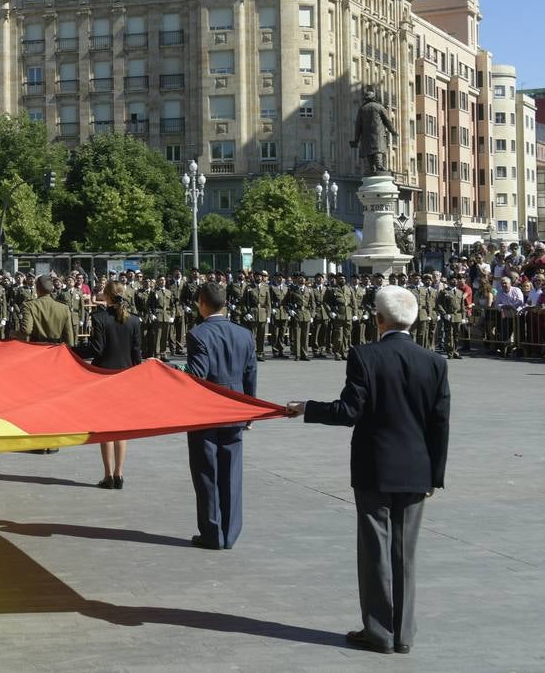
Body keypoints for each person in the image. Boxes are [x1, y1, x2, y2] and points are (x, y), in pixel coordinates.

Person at [286, 285, 450, 655]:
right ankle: (403, 633)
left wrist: (306, 407)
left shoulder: (365, 355)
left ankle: (378, 631)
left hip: (375, 467)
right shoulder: (435, 362)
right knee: (405, 553)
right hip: (416, 470)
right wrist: (434, 476)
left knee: (376, 548)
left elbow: (349, 411)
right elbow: (440, 424)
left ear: (378, 319)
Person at [185, 280, 257, 550]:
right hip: (236, 410)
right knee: (232, 474)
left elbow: (197, 376)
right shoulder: (244, 334)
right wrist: (250, 411)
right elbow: (250, 375)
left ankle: (212, 532)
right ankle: (230, 532)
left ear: (202, 303)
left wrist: (172, 370)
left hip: (207, 412)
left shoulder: (198, 334)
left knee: (206, 473)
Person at [86, 280, 143, 488]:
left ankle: (108, 474)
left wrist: (71, 349)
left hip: (103, 376)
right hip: (126, 376)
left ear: (107, 295)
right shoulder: (134, 321)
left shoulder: (99, 318)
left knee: (105, 427)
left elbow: (96, 350)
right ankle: (119, 474)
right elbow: (137, 354)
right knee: (122, 427)